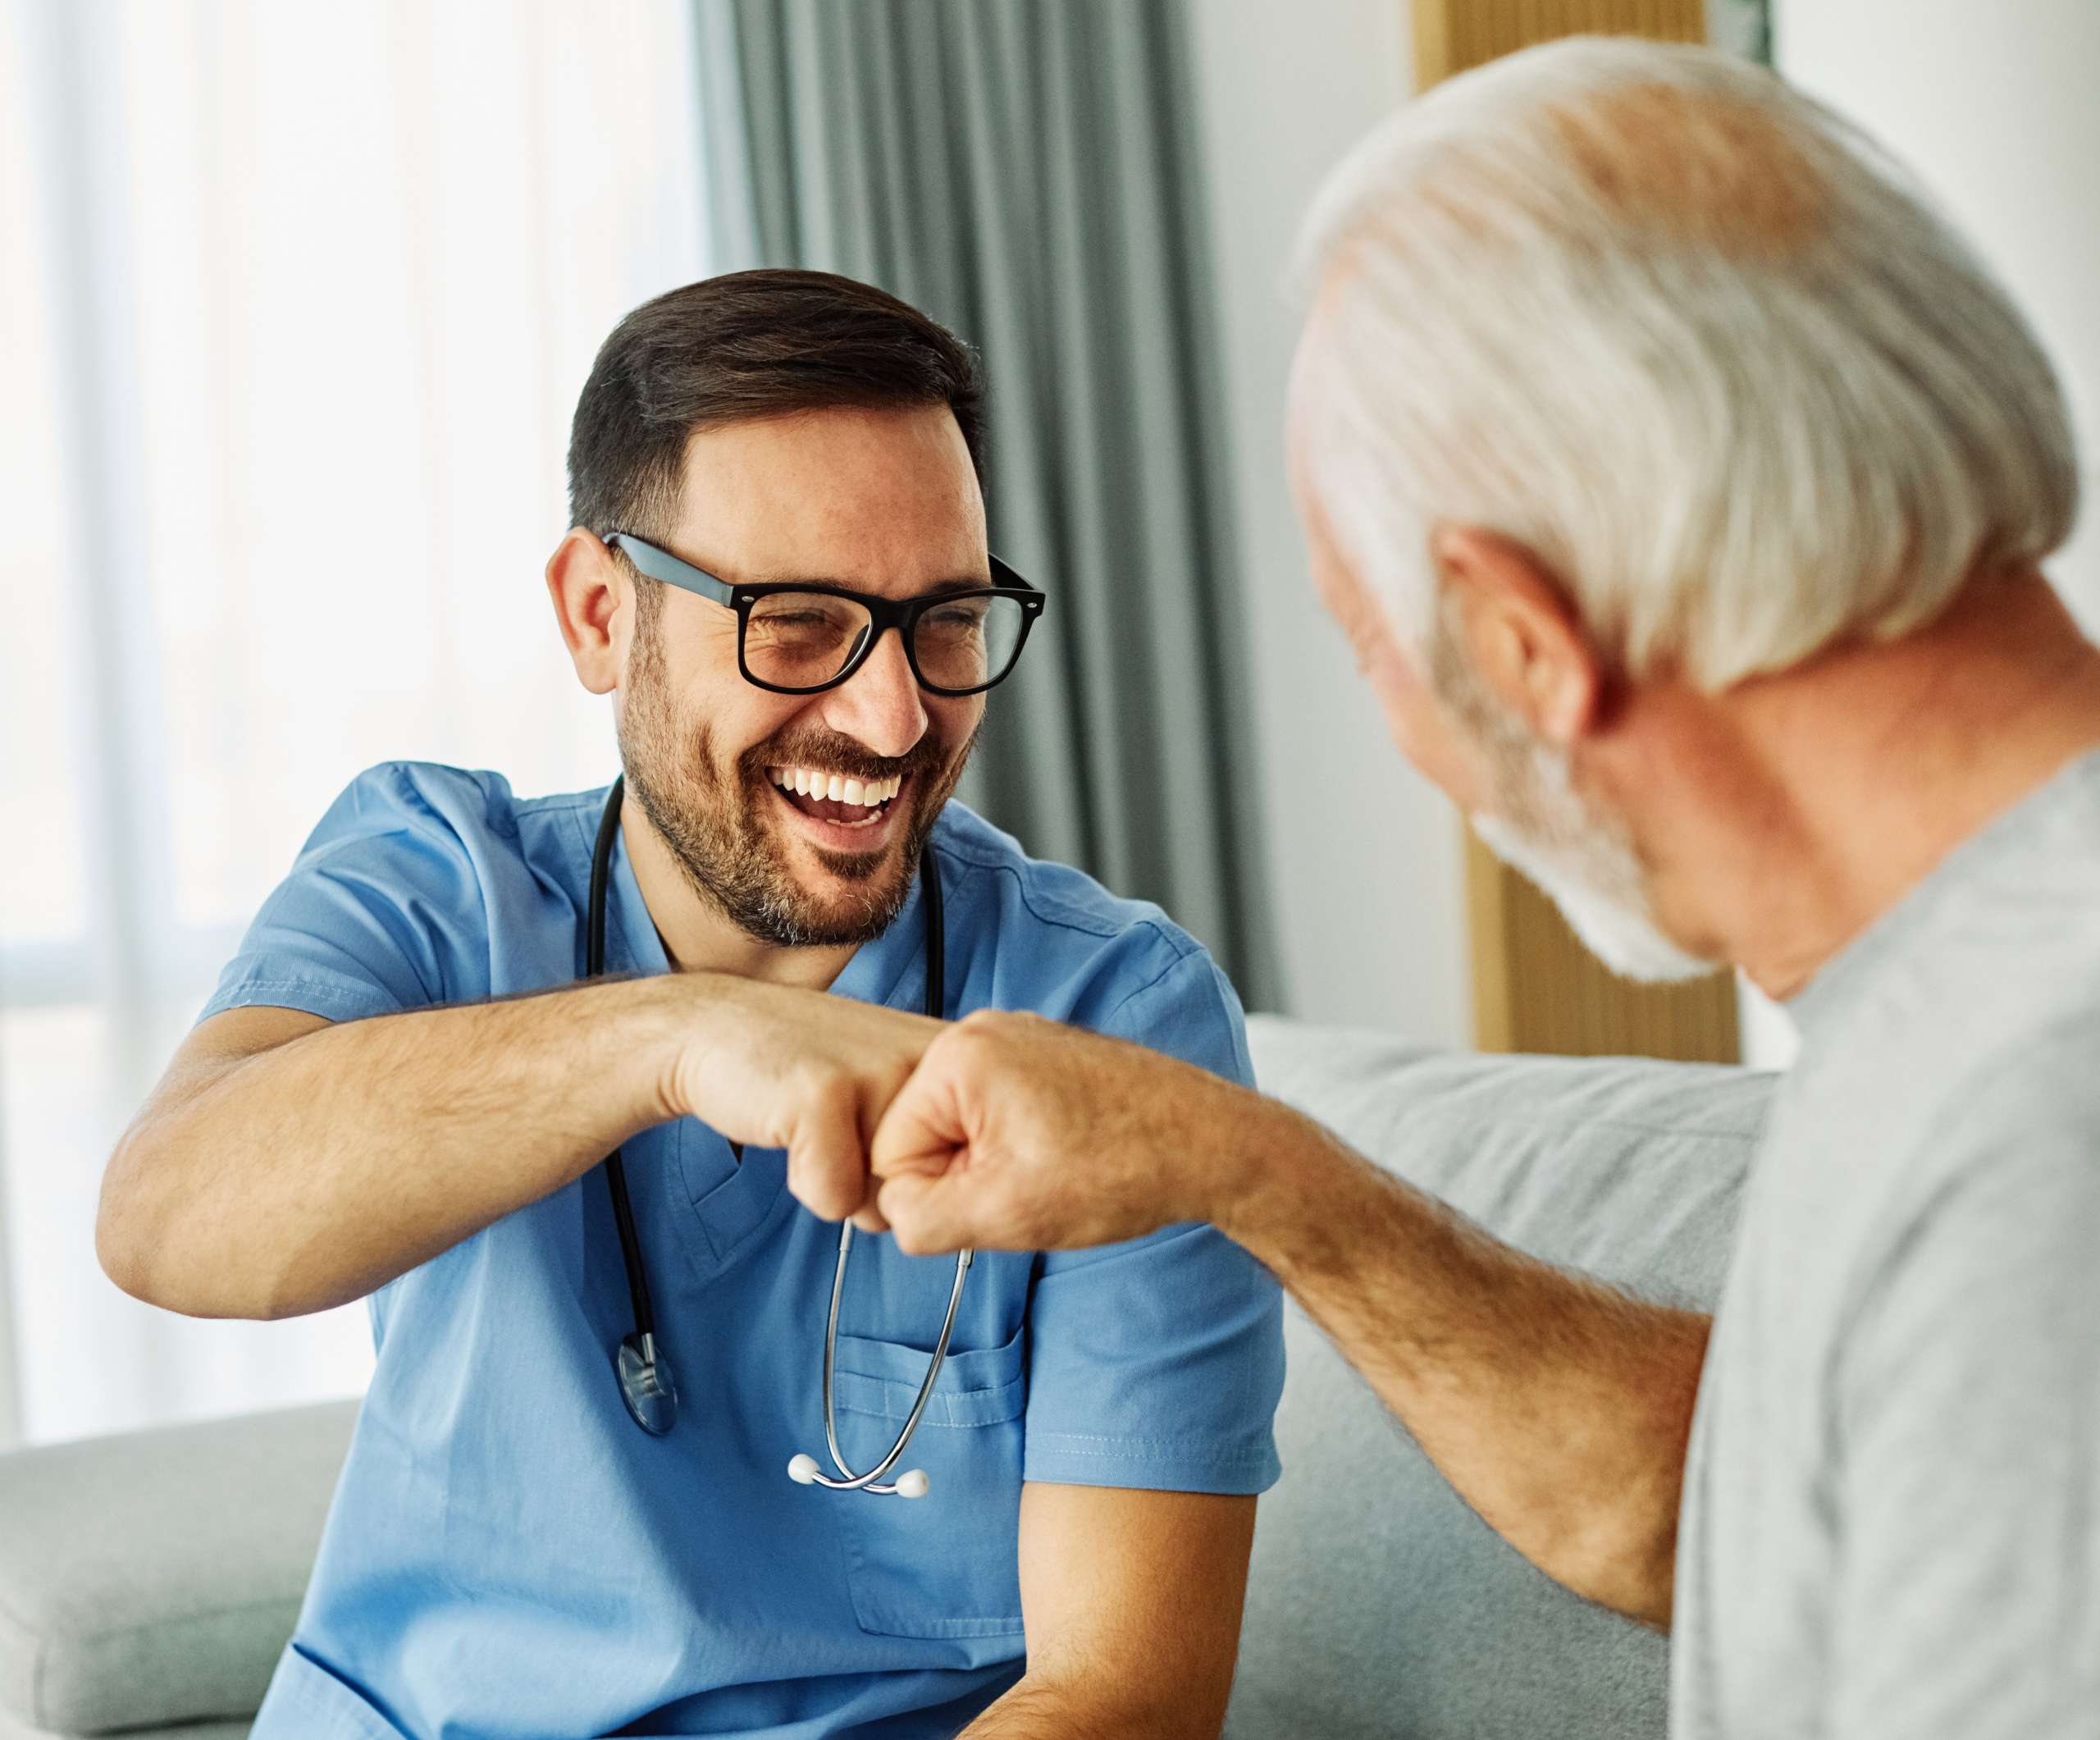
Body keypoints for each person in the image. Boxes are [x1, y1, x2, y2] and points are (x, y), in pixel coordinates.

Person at [854, 39, 2100, 1736]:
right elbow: (1724, 1500)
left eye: (1368, 645)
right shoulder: (1967, 991)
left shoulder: (2033, 1126)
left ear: (1519, 639)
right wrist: (1240, 1161)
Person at [97, 270, 1283, 1740]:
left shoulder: (1116, 1016)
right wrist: (673, 1039)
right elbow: (166, 1216)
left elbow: (1121, 1694)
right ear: (602, 615)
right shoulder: (429, 884)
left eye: (948, 622)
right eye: (797, 626)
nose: (895, 717)